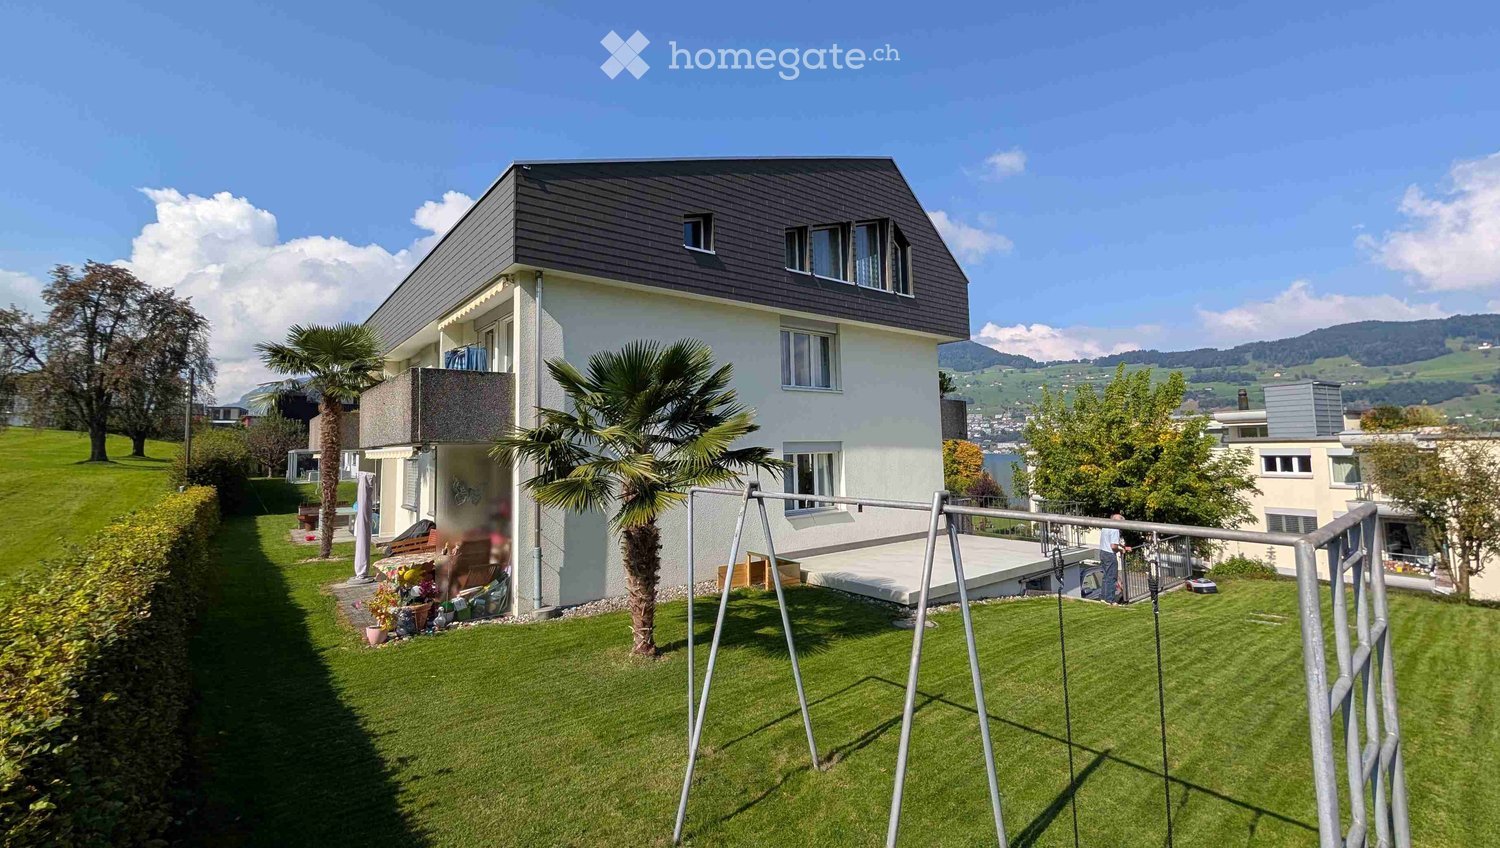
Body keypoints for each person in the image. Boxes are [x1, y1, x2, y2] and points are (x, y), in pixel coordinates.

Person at [1098, 514, 1131, 603]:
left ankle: (1103, 598)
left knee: (1106, 576)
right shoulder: (1115, 529)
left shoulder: (1106, 526)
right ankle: (1110, 600)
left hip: (1102, 553)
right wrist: (1121, 550)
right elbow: (1113, 546)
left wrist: (1123, 547)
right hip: (1109, 554)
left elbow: (1112, 542)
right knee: (1112, 577)